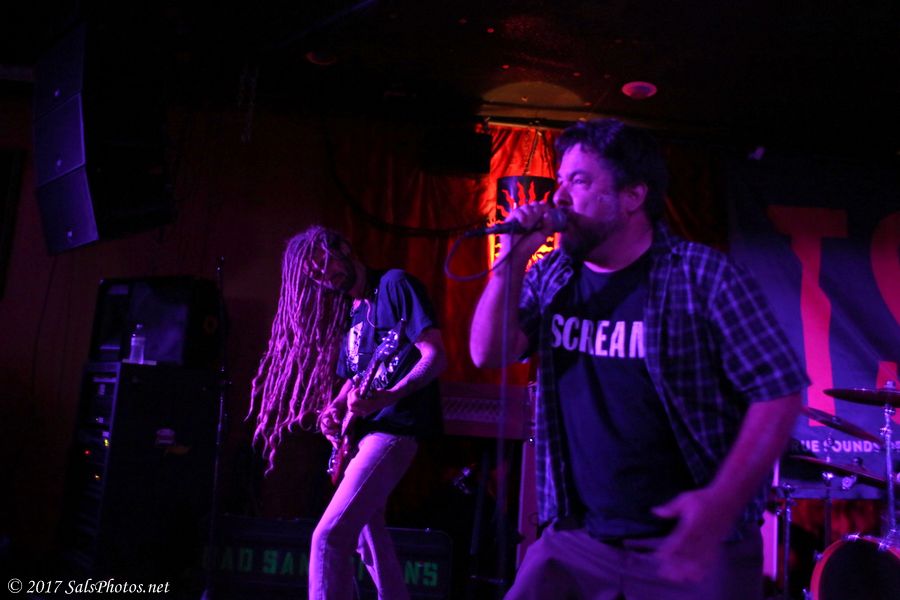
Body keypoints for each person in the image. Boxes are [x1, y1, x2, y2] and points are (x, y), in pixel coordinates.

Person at [469, 118, 808, 600]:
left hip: (693, 544)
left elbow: (779, 392)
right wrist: (510, 264)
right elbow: (487, 352)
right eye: (560, 181)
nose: (558, 197)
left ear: (632, 197)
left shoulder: (704, 276)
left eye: (579, 181)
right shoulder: (553, 274)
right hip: (580, 539)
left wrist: (720, 503)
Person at [249, 226, 446, 600]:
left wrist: (388, 396)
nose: (323, 276)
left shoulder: (394, 285)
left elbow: (434, 355)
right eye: (313, 274)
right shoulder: (352, 313)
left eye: (323, 263)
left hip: (395, 429)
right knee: (369, 541)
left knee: (328, 537)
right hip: (363, 432)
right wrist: (336, 408)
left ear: (344, 247)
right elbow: (355, 377)